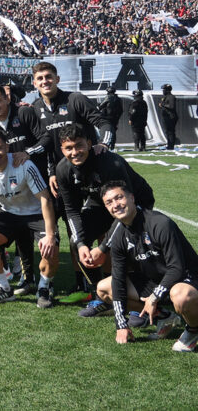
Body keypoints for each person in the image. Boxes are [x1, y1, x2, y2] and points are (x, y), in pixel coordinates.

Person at [30, 61, 113, 304]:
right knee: (73, 228)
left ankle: (110, 281)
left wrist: (104, 144)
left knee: (102, 228)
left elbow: (104, 123)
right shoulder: (36, 108)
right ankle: (85, 283)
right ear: (34, 83)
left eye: (48, 77)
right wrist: (53, 172)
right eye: (40, 79)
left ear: (57, 78)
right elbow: (46, 145)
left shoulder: (75, 99)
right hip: (64, 177)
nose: (45, 81)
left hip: (92, 173)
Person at [55, 123, 155, 317]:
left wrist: (103, 248)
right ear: (62, 149)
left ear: (90, 143)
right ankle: (101, 296)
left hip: (134, 203)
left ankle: (138, 300)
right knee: (77, 240)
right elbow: (71, 210)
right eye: (69, 148)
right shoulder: (63, 169)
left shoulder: (111, 163)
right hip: (100, 202)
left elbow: (125, 209)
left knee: (127, 243)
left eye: (79, 145)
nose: (75, 152)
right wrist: (82, 243)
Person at [95, 181, 198, 352]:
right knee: (104, 288)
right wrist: (121, 324)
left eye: (119, 198)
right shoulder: (119, 234)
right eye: (109, 202)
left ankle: (193, 330)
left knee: (181, 295)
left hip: (186, 278)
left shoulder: (159, 223)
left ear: (132, 198)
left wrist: (154, 297)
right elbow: (119, 280)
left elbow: (176, 268)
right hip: (157, 281)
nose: (116, 205)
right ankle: (164, 317)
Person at [0, 129, 59, 307]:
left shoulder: (24, 165)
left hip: (36, 212)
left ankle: (44, 288)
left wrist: (51, 235)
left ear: (7, 147)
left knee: (51, 249)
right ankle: (4, 288)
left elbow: (45, 199)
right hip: (9, 214)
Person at [0, 83, 51, 291]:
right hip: (9, 191)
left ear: (7, 99)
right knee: (20, 235)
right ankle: (25, 278)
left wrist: (29, 151)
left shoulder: (25, 113)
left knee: (47, 236)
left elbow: (46, 138)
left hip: (37, 185)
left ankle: (47, 282)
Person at [158, 83, 177, 150]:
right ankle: (169, 144)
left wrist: (163, 105)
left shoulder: (171, 97)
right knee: (167, 132)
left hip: (170, 117)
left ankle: (171, 146)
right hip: (166, 117)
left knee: (170, 132)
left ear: (167, 90)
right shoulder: (165, 97)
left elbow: (171, 106)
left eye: (164, 89)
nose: (163, 91)